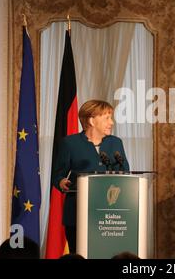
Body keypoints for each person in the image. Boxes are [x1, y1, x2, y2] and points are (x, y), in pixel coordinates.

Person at [53, 100, 130, 253]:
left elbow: (125, 172)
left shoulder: (116, 143)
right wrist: (61, 182)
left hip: (110, 215)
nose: (112, 122)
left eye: (111, 117)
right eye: (107, 118)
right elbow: (58, 174)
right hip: (78, 213)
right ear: (91, 120)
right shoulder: (70, 143)